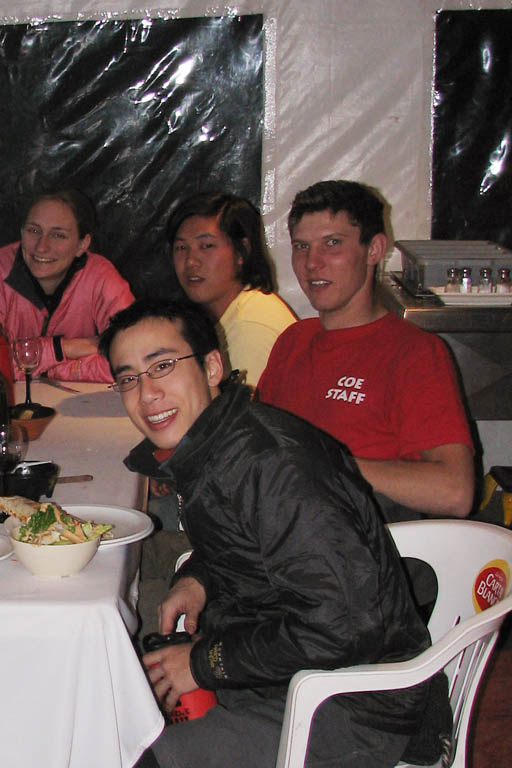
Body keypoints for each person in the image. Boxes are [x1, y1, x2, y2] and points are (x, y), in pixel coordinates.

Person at [99, 299, 430, 768]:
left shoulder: (275, 467)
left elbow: (346, 625)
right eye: (129, 378)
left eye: (163, 366)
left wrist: (202, 664)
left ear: (213, 366)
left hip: (351, 703)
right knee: (109, 690)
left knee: (133, 755)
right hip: (279, 667)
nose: (146, 393)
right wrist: (199, 577)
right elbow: (255, 543)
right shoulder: (217, 445)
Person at [257, 180, 473, 520]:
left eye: (332, 244)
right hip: (276, 531)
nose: (312, 263)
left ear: (374, 250)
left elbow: (455, 491)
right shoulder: (293, 341)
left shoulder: (414, 353)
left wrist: (327, 465)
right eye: (302, 246)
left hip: (354, 548)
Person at [0, 188, 134, 382]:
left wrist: (50, 370)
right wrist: (63, 348)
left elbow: (133, 360)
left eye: (58, 235)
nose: (42, 246)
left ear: (82, 245)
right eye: (33, 231)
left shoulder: (101, 276)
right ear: (21, 232)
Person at [167, 192, 295, 385]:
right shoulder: (231, 313)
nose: (191, 261)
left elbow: (239, 414)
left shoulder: (250, 325)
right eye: (181, 248)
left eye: (207, 246)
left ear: (242, 251)